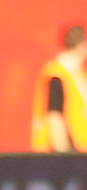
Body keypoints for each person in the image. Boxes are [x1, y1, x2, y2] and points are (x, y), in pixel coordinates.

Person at [34, 24, 86, 152]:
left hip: (79, 152)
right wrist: (63, 157)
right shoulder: (58, 75)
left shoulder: (77, 75)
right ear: (82, 45)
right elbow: (54, 117)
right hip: (69, 154)